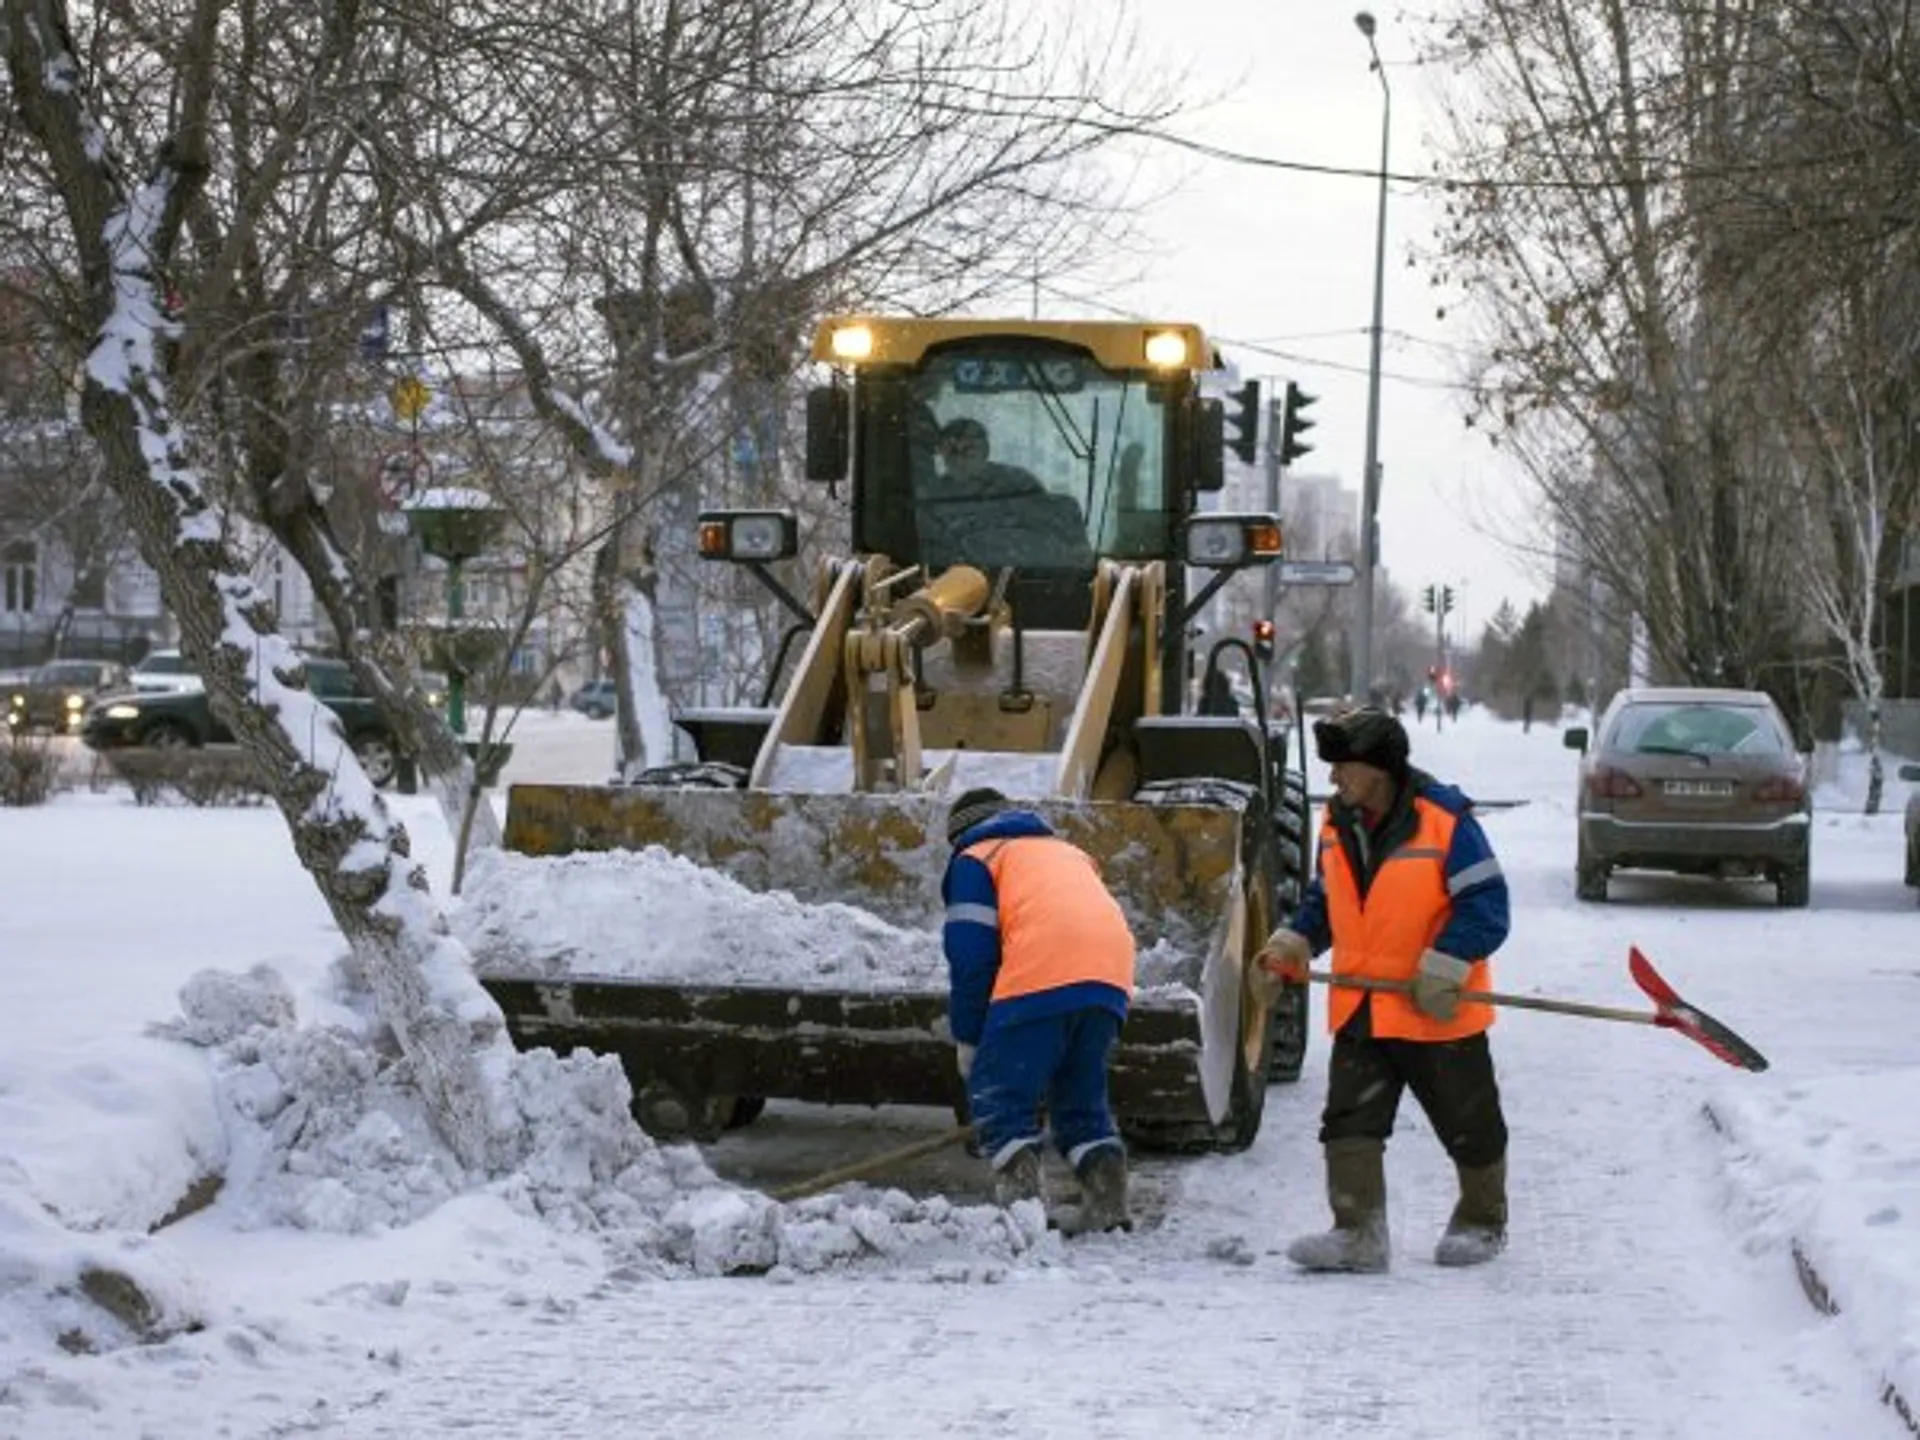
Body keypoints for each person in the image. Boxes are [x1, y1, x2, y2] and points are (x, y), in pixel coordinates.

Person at [1255, 705, 1511, 1272]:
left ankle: (1482, 1219)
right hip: (1362, 1004)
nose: (1334, 777)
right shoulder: (1335, 824)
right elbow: (1328, 900)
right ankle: (1358, 1233)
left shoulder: (1445, 820)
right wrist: (1293, 943)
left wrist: (1447, 963)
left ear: (1380, 768)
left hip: (1436, 1007)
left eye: (1344, 765)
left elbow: (1488, 905)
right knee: (1349, 1123)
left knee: (1469, 1124)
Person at [941, 785, 1137, 1234]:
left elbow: (972, 959)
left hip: (1045, 967)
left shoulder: (976, 857)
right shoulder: (1065, 852)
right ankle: (1109, 1206)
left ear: (960, 836)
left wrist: (970, 1039)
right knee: (1081, 1097)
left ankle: (1023, 1214)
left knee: (1000, 1096)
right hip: (1109, 975)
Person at [916, 418, 1093, 573]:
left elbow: (1052, 535)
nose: (961, 457)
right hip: (954, 588)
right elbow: (926, 553)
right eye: (953, 450)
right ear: (941, 453)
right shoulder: (931, 499)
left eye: (970, 448)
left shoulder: (1018, 484)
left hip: (1031, 579)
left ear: (985, 449)